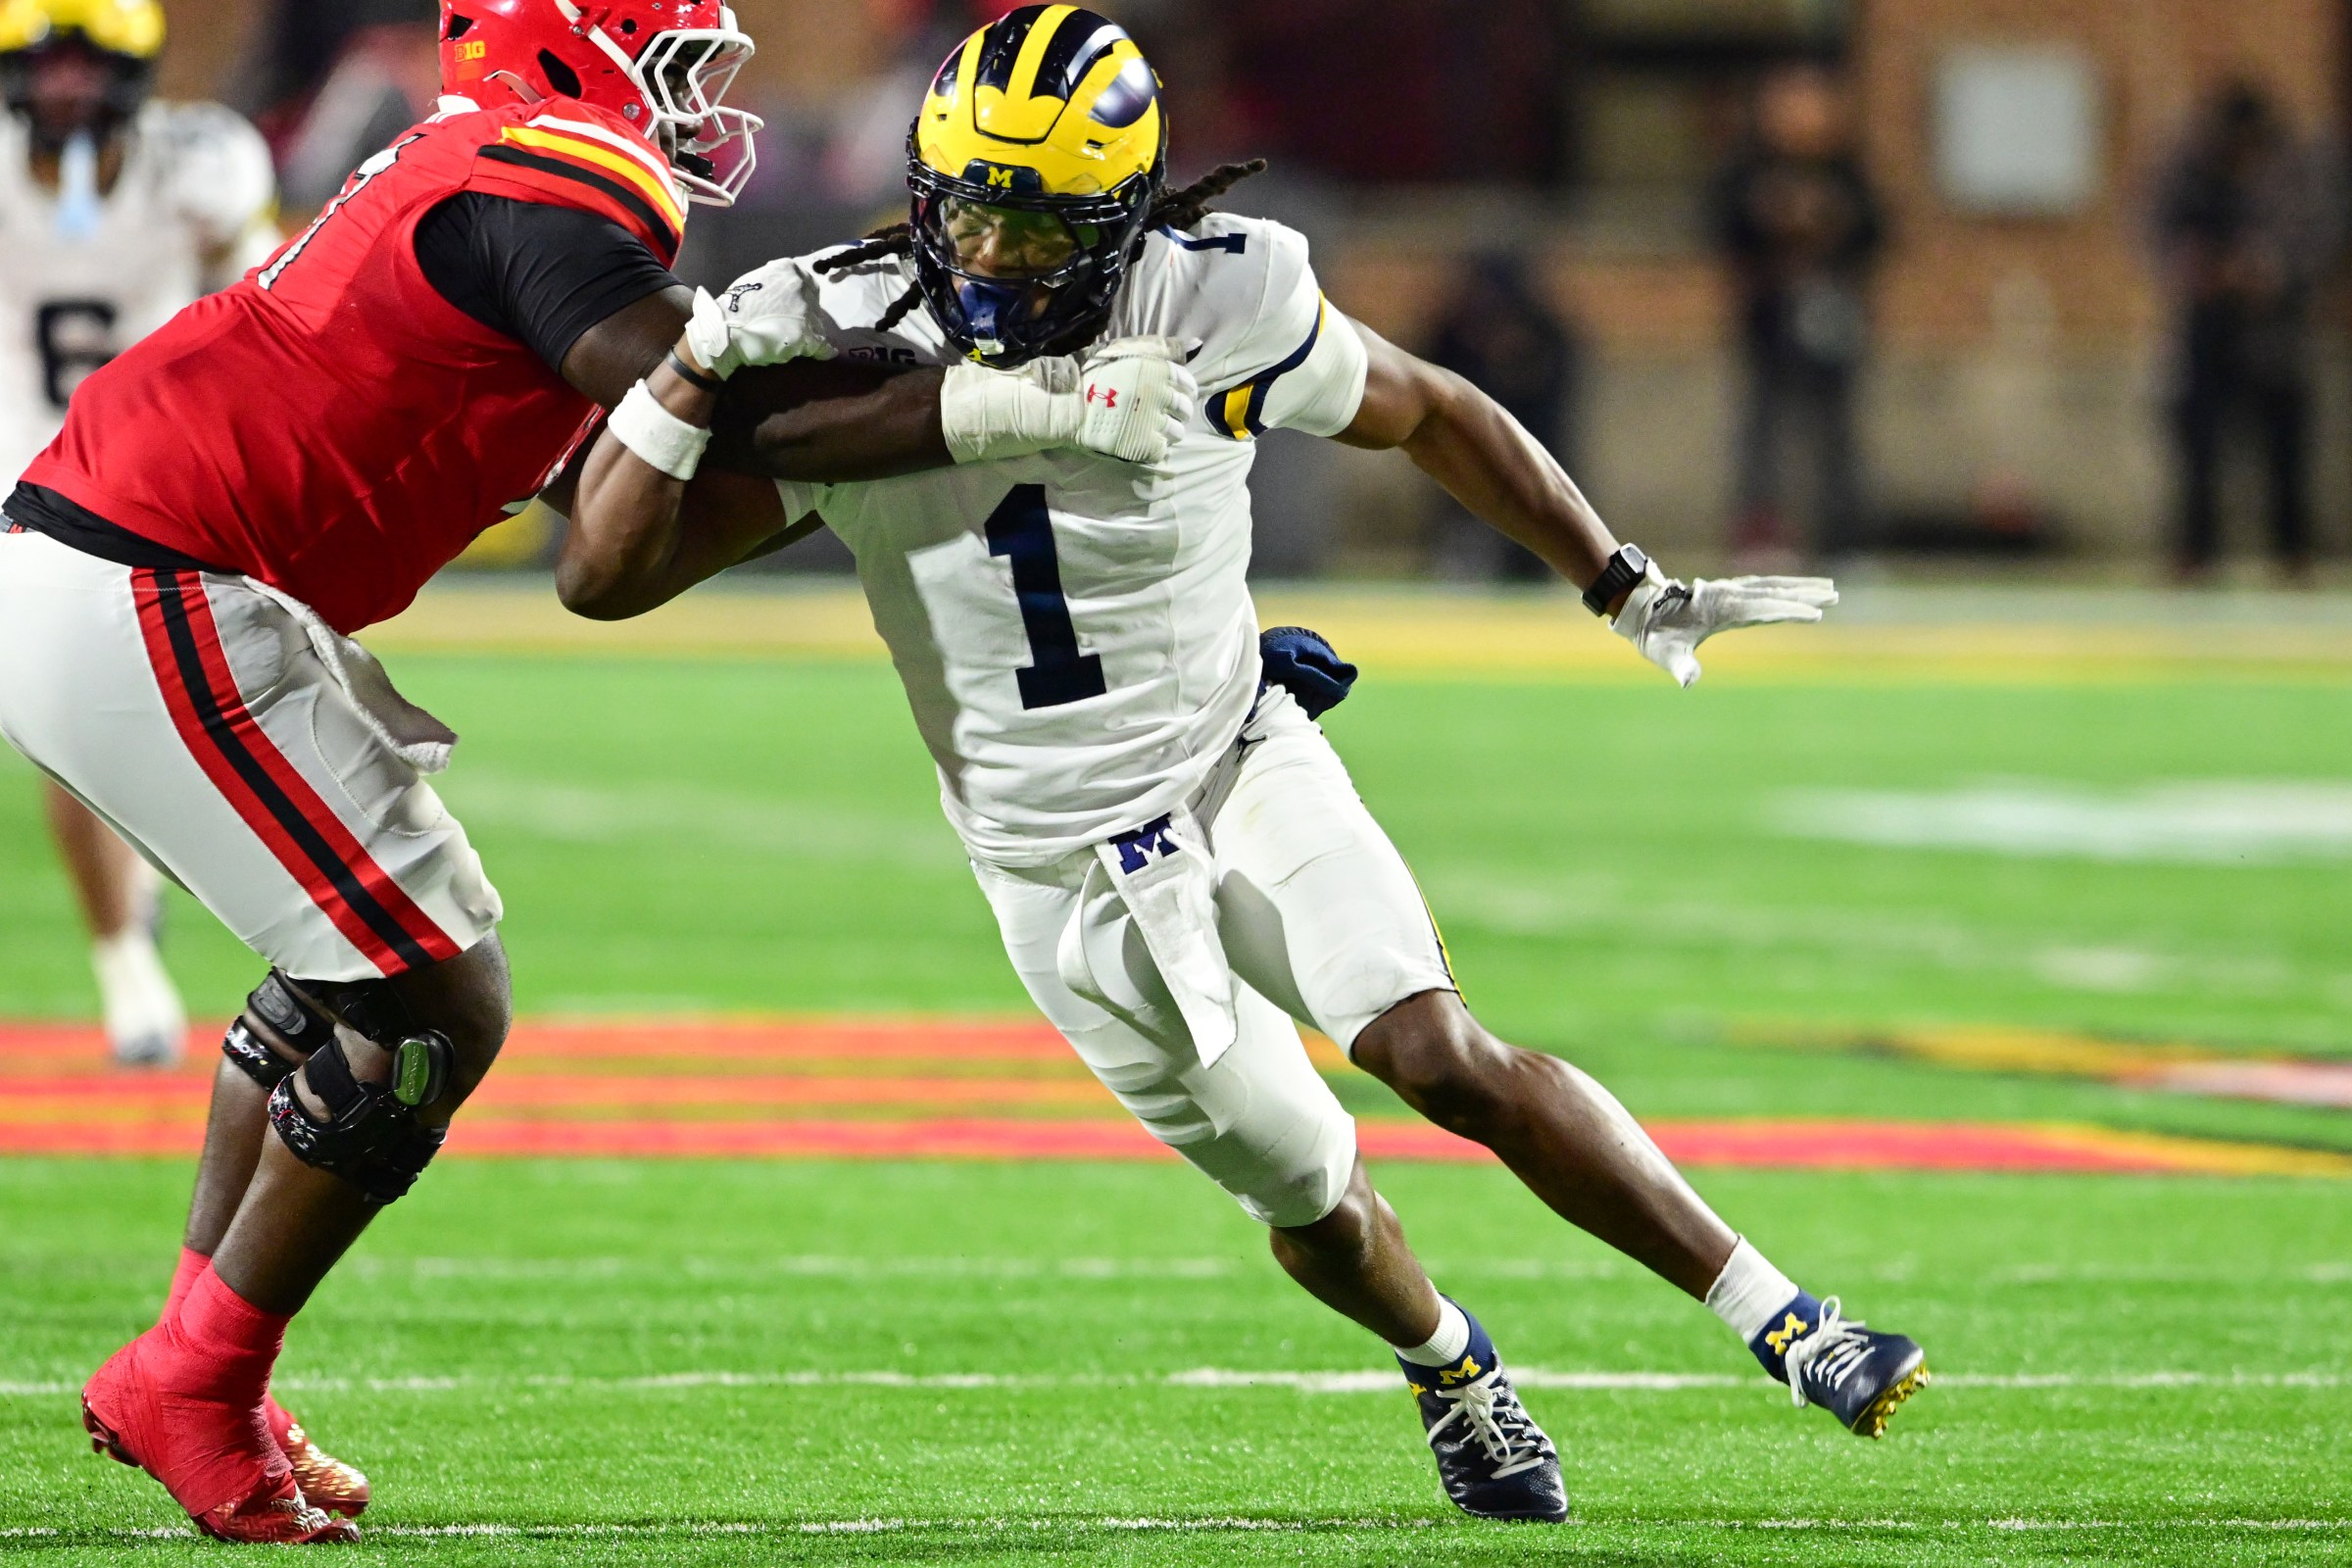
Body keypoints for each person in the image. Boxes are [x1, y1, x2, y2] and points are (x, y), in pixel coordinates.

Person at [564, 6, 1928, 1523]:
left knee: (1434, 1050)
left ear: (1125, 214)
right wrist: (692, 376)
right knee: (1312, 1192)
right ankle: (1452, 1366)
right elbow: (604, 577)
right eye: (973, 215)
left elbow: (1431, 411)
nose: (999, 258)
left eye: (1040, 226)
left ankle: (1787, 1320)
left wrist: (1622, 582)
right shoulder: (848, 343)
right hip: (1053, 865)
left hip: (1231, 756)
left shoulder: (1223, 295)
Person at [0, 0, 1193, 1543]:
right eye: (680, 69)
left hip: (145, 569)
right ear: (577, 53)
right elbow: (685, 396)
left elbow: (631, 522)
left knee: (351, 978)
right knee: (438, 994)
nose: (702, 111)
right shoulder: (544, 172)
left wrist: (880, 452)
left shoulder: (485, 188)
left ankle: (201, 1363)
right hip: (144, 577)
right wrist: (1006, 399)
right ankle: (197, 1378)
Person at [0, 0, 278, 1069]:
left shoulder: (198, 164)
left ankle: (141, 896)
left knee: (155, 715)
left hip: (157, 470)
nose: (66, 85)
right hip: (24, 475)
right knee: (61, 726)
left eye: (87, 61)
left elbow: (264, 298)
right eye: (46, 62)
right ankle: (123, 956)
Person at [2152, 81, 2341, 583]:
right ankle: (2195, 554)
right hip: (2205, 337)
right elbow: (2157, 231)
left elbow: (2320, 239)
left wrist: (2268, 271)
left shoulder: (2292, 174)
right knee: (2198, 453)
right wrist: (2192, 267)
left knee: (2285, 455)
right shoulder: (2190, 169)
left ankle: (2292, 556)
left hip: (2274, 340)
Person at [1709, 64, 1884, 567]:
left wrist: (1831, 217)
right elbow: (1721, 227)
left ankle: (1846, 544)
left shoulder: (1845, 170)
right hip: (1768, 322)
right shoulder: (1749, 168)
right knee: (1762, 432)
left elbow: (1877, 230)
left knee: (1836, 437)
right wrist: (1769, 215)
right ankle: (1759, 537)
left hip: (1833, 321)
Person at [1424, 252, 1578, 582]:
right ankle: (1463, 565)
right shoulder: (1456, 330)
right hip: (1466, 446)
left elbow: (1552, 384)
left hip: (1529, 442)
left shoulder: (1541, 328)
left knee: (1533, 517)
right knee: (1464, 507)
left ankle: (1533, 570)